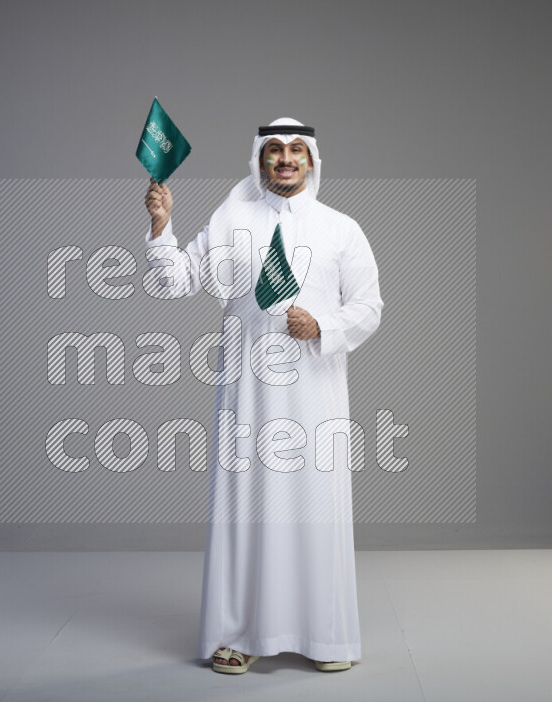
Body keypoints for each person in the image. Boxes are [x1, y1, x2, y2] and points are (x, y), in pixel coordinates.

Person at [142, 117, 384, 673]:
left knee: (314, 507)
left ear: (312, 160)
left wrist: (322, 325)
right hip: (246, 392)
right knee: (246, 508)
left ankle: (324, 637)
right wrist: (162, 225)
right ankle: (240, 634)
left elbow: (369, 306)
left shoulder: (340, 229)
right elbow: (177, 281)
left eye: (297, 150)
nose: (286, 159)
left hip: (315, 393)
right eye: (275, 149)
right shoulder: (232, 219)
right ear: (259, 159)